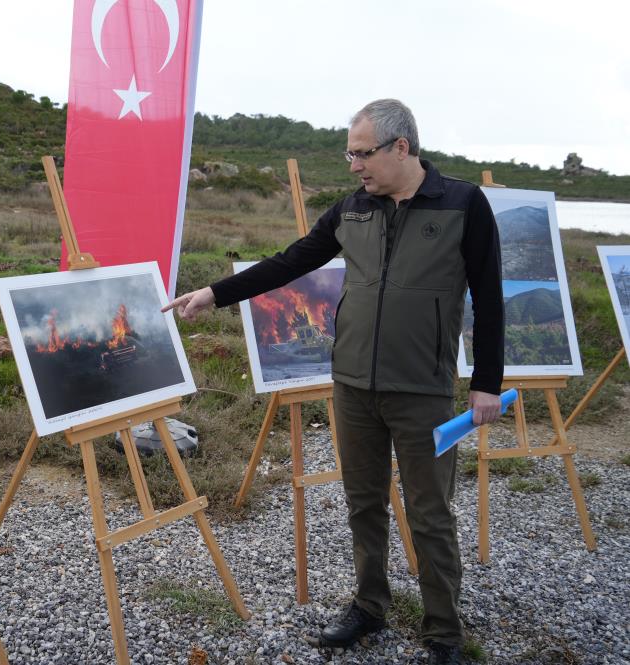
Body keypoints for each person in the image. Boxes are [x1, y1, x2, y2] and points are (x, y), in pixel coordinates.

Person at [162, 99, 504, 665]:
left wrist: (486, 382)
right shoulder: (353, 210)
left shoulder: (464, 203)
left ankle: (443, 632)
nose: (353, 166)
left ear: (401, 147)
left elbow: (489, 298)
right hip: (352, 387)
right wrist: (217, 293)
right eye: (350, 154)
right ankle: (369, 606)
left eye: (362, 153)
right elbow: (293, 260)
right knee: (362, 501)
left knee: (430, 511)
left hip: (423, 391)